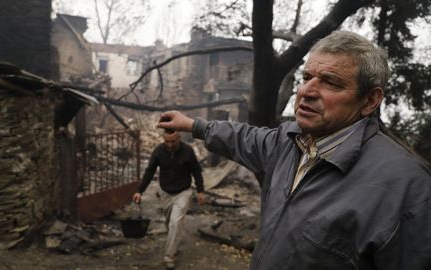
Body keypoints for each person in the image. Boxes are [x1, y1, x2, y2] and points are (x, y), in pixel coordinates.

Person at [156, 31, 431, 270]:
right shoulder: (289, 141)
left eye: (331, 82)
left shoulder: (407, 190)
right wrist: (194, 125)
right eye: (307, 77)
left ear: (370, 100)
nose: (307, 91)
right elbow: (243, 137)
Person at [132, 129, 205, 269]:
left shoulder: (187, 151)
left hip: (183, 191)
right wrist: (139, 191)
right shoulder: (159, 151)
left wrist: (200, 191)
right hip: (165, 192)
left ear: (179, 138)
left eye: (173, 141)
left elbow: (196, 170)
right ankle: (174, 242)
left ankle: (169, 256)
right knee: (169, 223)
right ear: (163, 139)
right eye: (167, 141)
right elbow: (150, 171)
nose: (170, 144)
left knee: (175, 223)